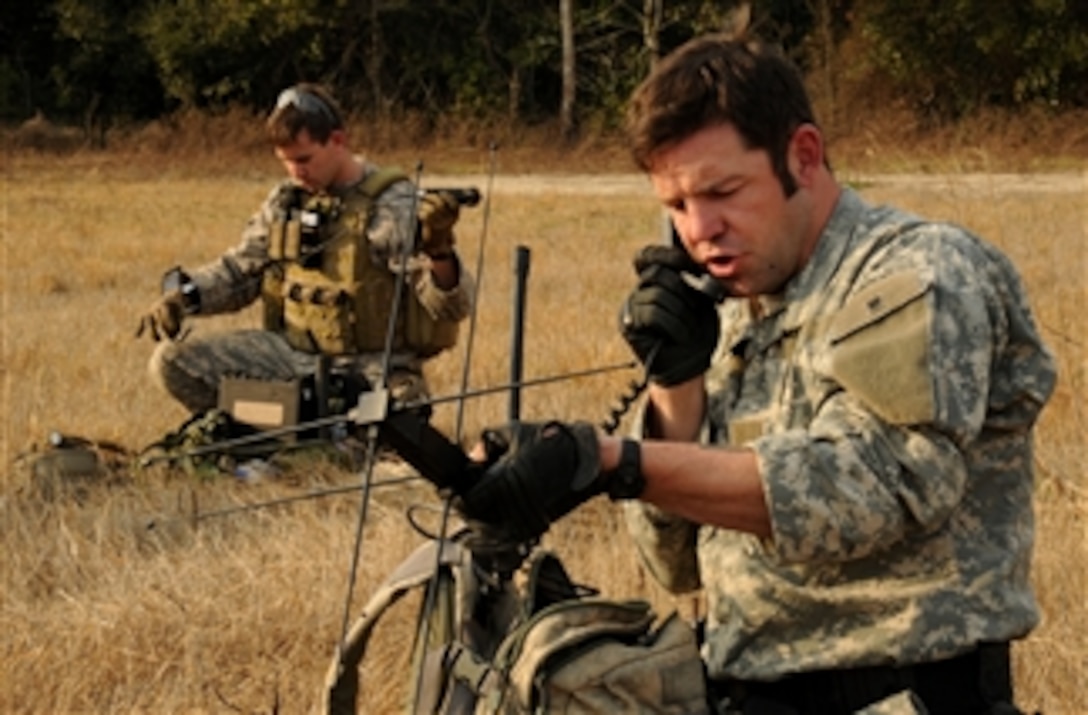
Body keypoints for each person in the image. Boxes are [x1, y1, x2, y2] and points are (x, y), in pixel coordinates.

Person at [453, 36, 1056, 715]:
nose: (699, 230)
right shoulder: (738, 314)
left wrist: (607, 461)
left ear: (803, 155)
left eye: (722, 191)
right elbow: (678, 566)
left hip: (901, 692)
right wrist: (675, 387)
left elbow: (881, 483)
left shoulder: (919, 272)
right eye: (676, 205)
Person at [136, 83, 474, 416]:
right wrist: (184, 296)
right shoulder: (287, 201)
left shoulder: (391, 204)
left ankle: (300, 430)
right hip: (290, 358)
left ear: (338, 141)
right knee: (171, 363)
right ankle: (274, 430)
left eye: (305, 159)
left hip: (370, 371)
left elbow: (454, 307)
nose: (297, 172)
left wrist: (439, 252)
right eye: (286, 162)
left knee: (398, 423)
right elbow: (241, 272)